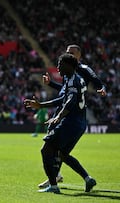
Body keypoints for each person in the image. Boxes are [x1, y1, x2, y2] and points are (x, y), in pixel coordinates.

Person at [24, 53, 97, 194]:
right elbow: (64, 99)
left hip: (70, 123)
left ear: (69, 66)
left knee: (46, 150)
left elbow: (70, 102)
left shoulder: (72, 81)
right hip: (80, 124)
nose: (57, 67)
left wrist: (59, 116)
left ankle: (53, 186)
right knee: (63, 155)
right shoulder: (76, 79)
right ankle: (88, 179)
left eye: (60, 64)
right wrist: (41, 105)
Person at [39, 44, 106, 188]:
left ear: (79, 55)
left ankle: (54, 181)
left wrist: (102, 88)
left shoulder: (81, 71)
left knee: (50, 149)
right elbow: (66, 91)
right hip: (71, 114)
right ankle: (84, 179)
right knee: (62, 153)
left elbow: (94, 82)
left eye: (72, 53)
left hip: (71, 115)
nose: (69, 54)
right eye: (68, 52)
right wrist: (51, 83)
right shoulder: (70, 73)